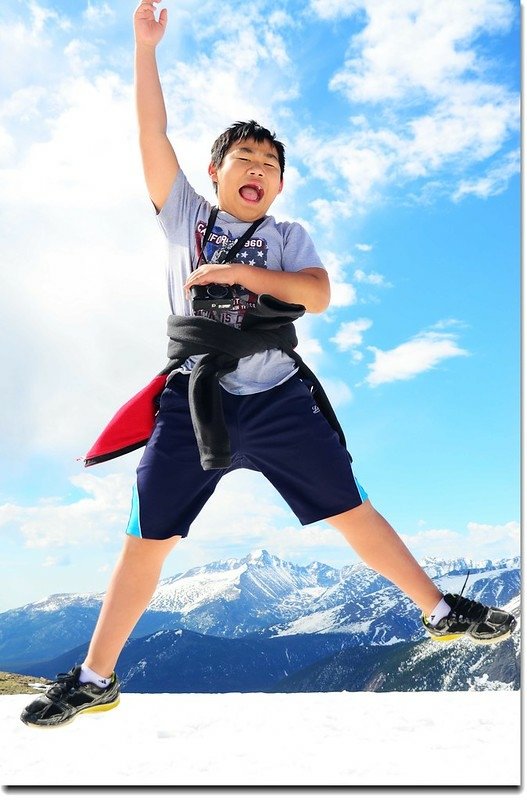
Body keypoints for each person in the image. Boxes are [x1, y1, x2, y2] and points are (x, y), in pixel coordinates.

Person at [21, 0, 516, 728]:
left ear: (279, 186)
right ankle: (96, 678)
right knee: (145, 541)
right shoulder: (182, 217)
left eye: (271, 165)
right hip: (193, 404)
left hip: (279, 399)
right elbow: (149, 131)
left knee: (350, 509)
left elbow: (316, 295)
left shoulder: (287, 235)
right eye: (244, 160)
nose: (258, 169)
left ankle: (438, 611)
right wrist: (144, 46)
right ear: (215, 172)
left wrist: (250, 280)